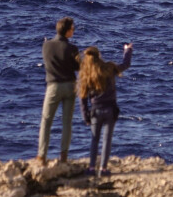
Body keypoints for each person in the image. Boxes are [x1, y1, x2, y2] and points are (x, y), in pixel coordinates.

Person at [78, 43, 133, 176]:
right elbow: (125, 64)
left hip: (95, 111)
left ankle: (91, 168)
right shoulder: (109, 68)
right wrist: (127, 51)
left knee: (94, 139)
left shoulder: (86, 74)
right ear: (99, 56)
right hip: (110, 110)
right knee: (107, 139)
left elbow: (83, 99)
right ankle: (103, 169)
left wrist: (85, 116)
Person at [37, 16, 79, 166]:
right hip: (69, 86)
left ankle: (42, 156)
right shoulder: (72, 49)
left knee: (46, 121)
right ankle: (64, 156)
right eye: (72, 29)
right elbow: (77, 68)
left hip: (53, 86)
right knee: (67, 122)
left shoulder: (46, 46)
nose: (73, 31)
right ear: (67, 31)